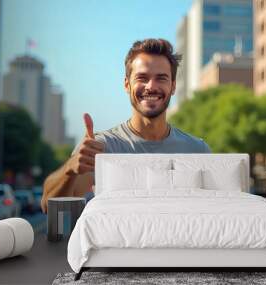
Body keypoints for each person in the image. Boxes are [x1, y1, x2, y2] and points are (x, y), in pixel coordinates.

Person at [41, 38, 211, 213]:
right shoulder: (100, 147)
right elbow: (49, 206)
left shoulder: (198, 150)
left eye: (161, 78)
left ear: (173, 86)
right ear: (127, 84)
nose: (151, 86)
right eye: (142, 78)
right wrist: (70, 169)